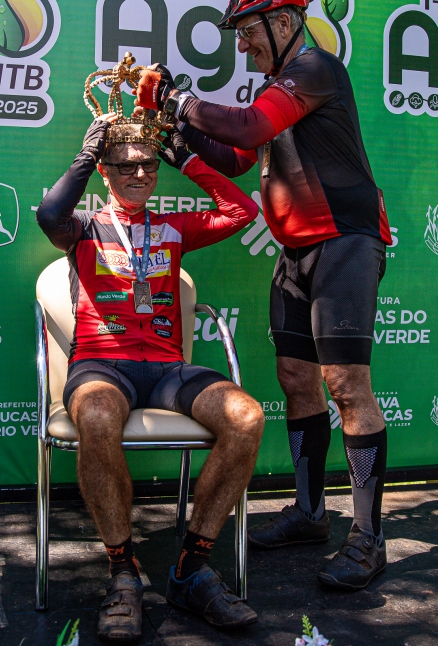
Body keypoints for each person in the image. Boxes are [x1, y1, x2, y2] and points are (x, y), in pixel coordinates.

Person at [136, 0, 393, 591]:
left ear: (283, 23)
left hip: (345, 242)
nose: (243, 46)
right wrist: (178, 137)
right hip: (298, 249)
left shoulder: (315, 69)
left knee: (347, 386)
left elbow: (249, 128)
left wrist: (178, 100)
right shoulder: (278, 89)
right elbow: (236, 156)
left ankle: (369, 538)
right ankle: (310, 513)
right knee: (296, 379)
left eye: (249, 33)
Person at [35, 112, 265, 641]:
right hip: (102, 365)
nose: (140, 174)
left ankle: (191, 569)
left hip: (167, 369)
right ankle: (123, 572)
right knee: (96, 415)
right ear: (106, 173)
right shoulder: (83, 227)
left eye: (148, 165)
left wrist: (185, 158)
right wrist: (87, 154)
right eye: (126, 166)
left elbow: (242, 210)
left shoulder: (172, 228)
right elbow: (49, 214)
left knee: (247, 417)